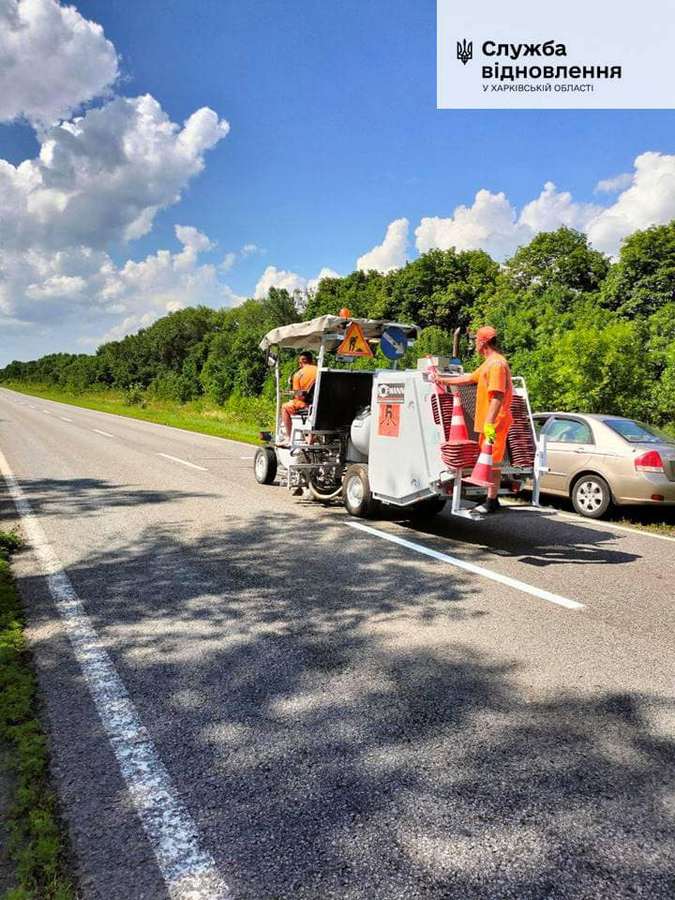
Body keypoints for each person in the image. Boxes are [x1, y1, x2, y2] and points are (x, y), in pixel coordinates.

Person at [432, 325, 513, 514]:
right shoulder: (489, 363)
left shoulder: (496, 365)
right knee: (491, 460)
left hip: (495, 422)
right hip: (492, 421)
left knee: (491, 460)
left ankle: (491, 500)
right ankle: (491, 499)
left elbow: (497, 396)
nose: (475, 343)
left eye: (476, 340)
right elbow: (469, 378)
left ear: (483, 342)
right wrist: (443, 380)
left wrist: (489, 423)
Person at [281, 351, 318, 441]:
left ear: (301, 362)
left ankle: (289, 438)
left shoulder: (298, 374)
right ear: (312, 361)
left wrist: (289, 393)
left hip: (307, 405)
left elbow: (299, 397)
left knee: (284, 407)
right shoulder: (320, 370)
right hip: (322, 404)